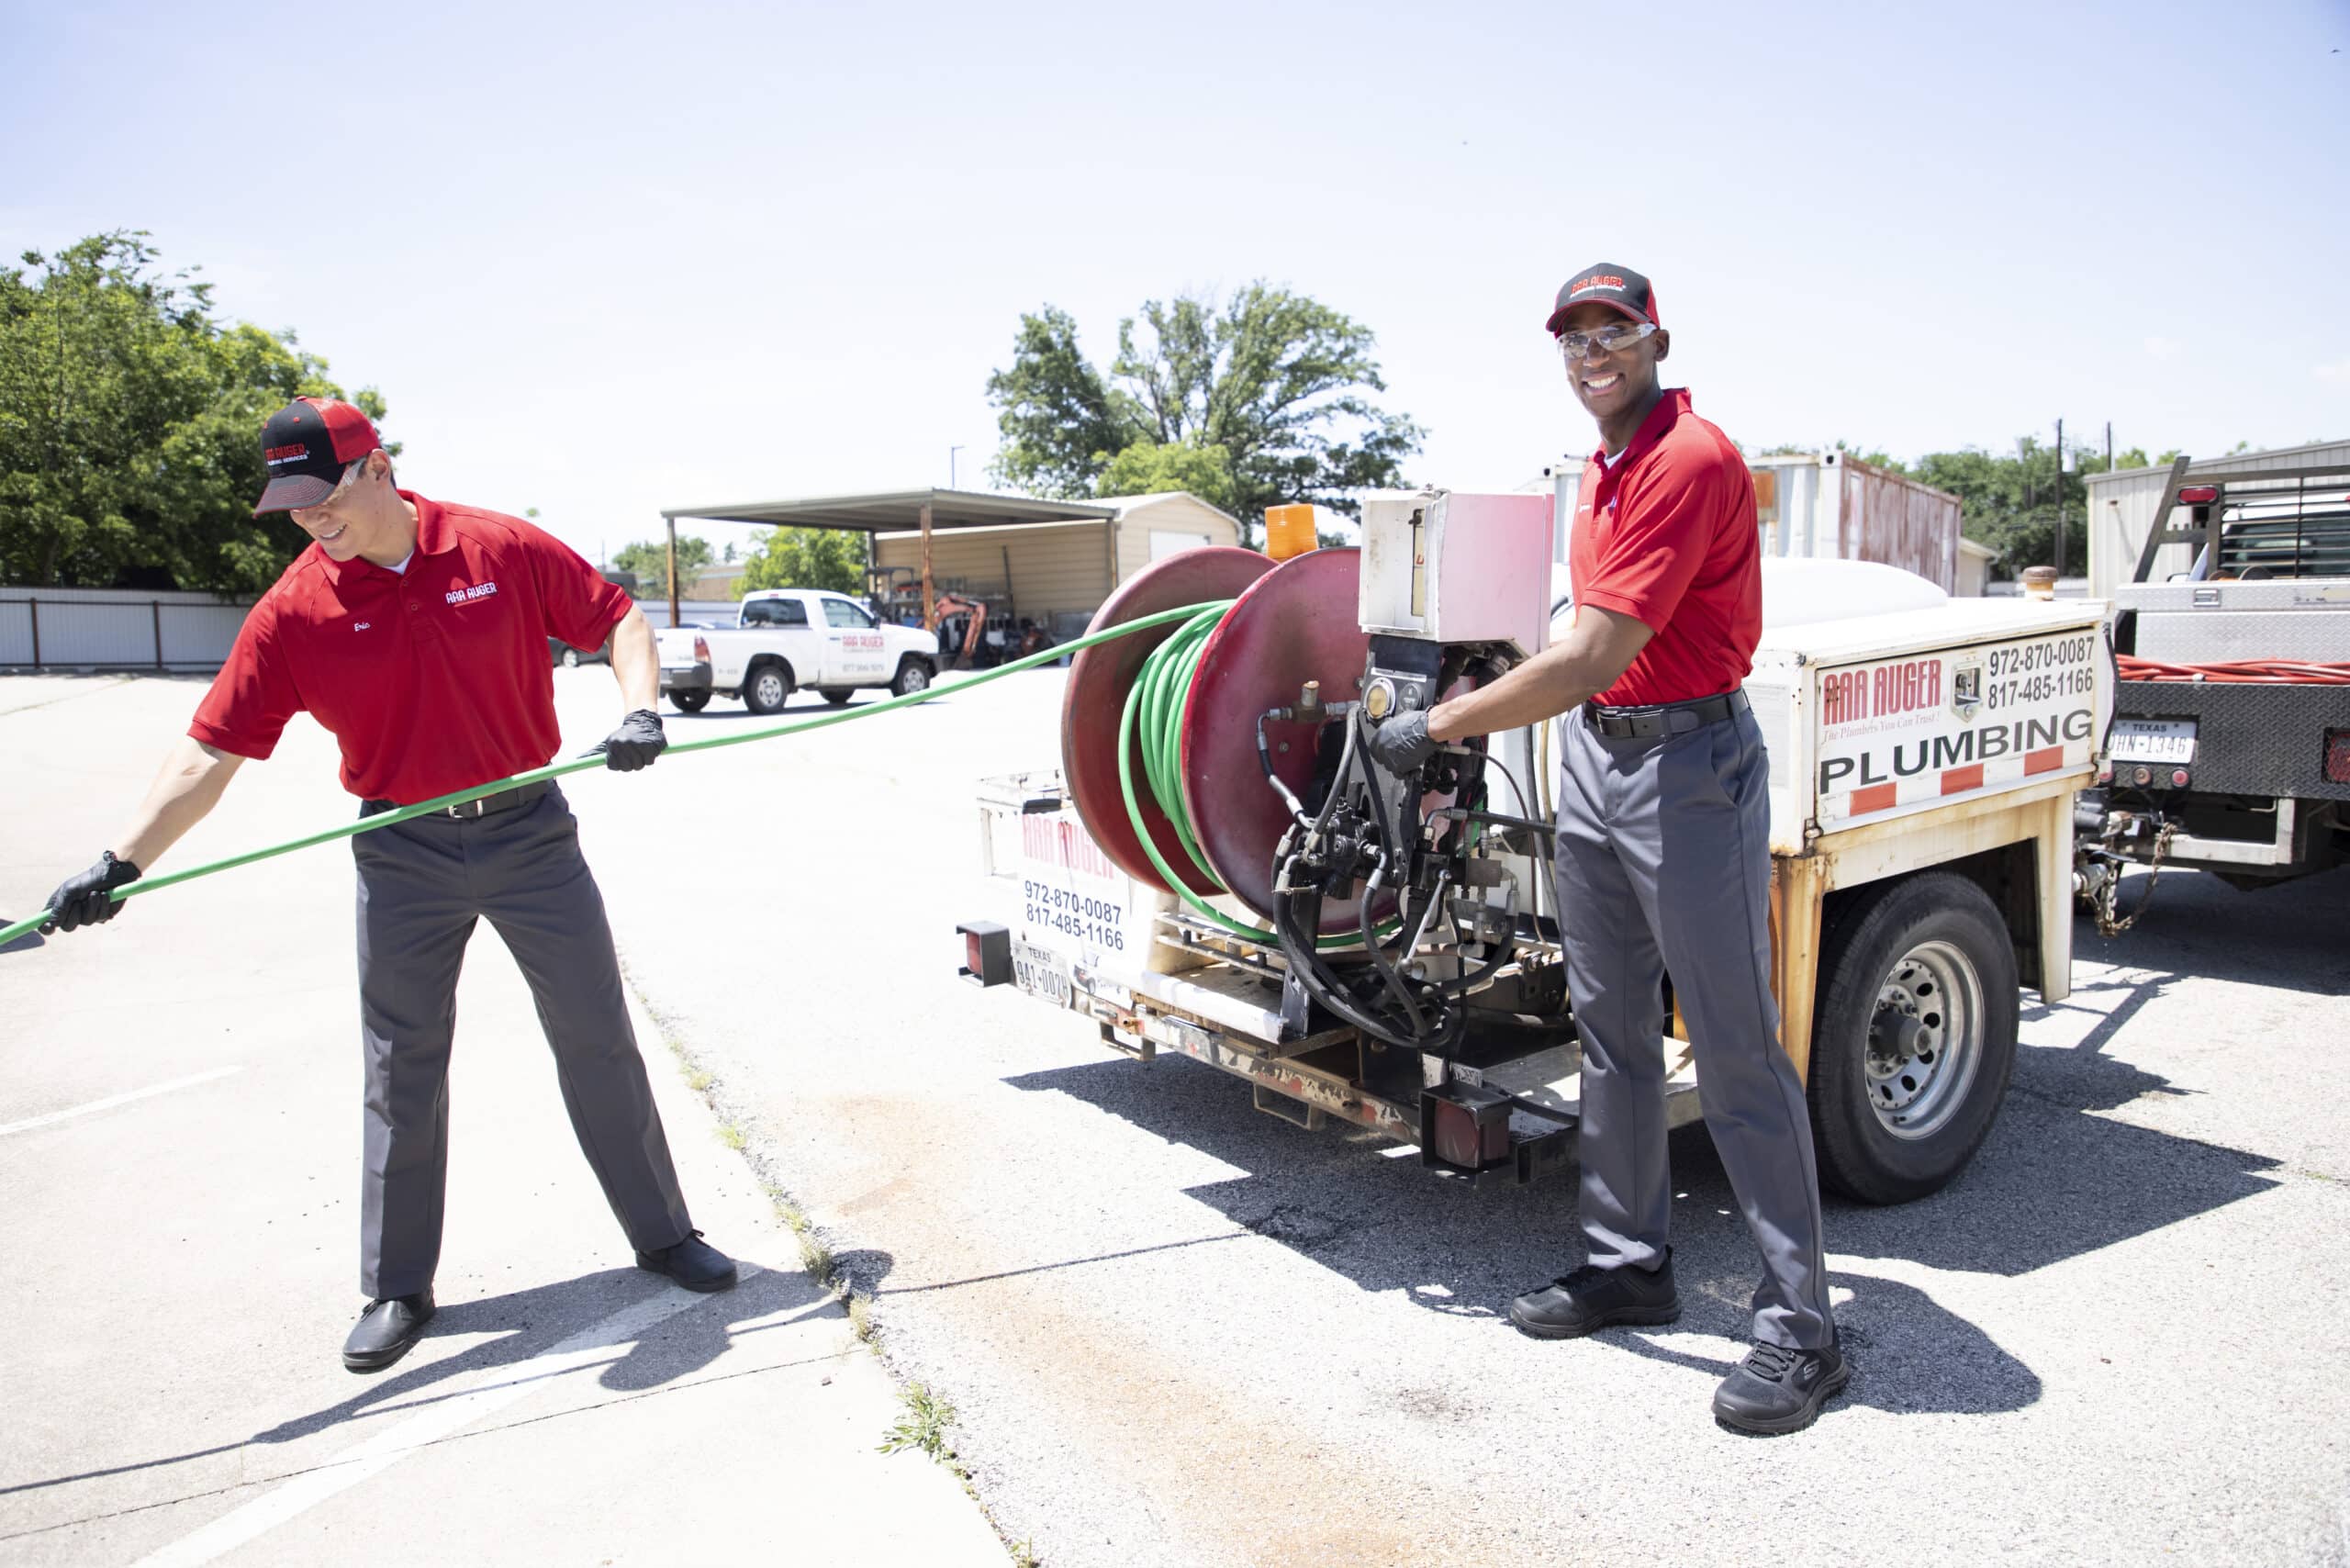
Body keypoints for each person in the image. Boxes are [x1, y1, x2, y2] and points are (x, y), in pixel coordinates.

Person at [41, 397, 737, 1373]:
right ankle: (398, 1286)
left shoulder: (495, 547)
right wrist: (120, 864)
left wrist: (641, 710)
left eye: (320, 494)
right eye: (290, 504)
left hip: (531, 833)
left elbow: (616, 617)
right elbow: (210, 751)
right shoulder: (295, 609)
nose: (307, 516)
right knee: (400, 1066)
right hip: (401, 850)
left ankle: (663, 1235)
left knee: (596, 1034)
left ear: (376, 468)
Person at [1369, 264, 1845, 1435]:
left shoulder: (1688, 458)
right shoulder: (1602, 468)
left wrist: (1435, 725)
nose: (1592, 352)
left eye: (1612, 331)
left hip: (1686, 769)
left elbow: (1591, 652)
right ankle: (1629, 1261)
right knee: (1610, 1030)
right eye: (1573, 337)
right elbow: (1583, 652)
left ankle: (1802, 1327)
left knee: (1732, 1048)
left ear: (1656, 340)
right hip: (1596, 756)